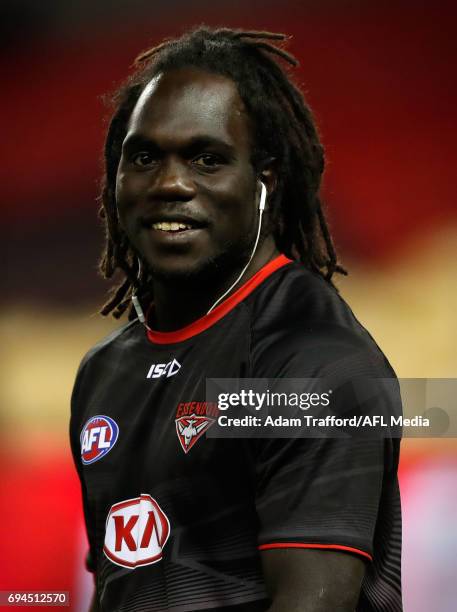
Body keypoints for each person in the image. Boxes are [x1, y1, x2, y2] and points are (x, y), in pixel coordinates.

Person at [70, 27, 402, 611]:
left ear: (264, 181)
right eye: (144, 157)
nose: (170, 183)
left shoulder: (313, 366)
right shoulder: (104, 372)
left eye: (207, 158)